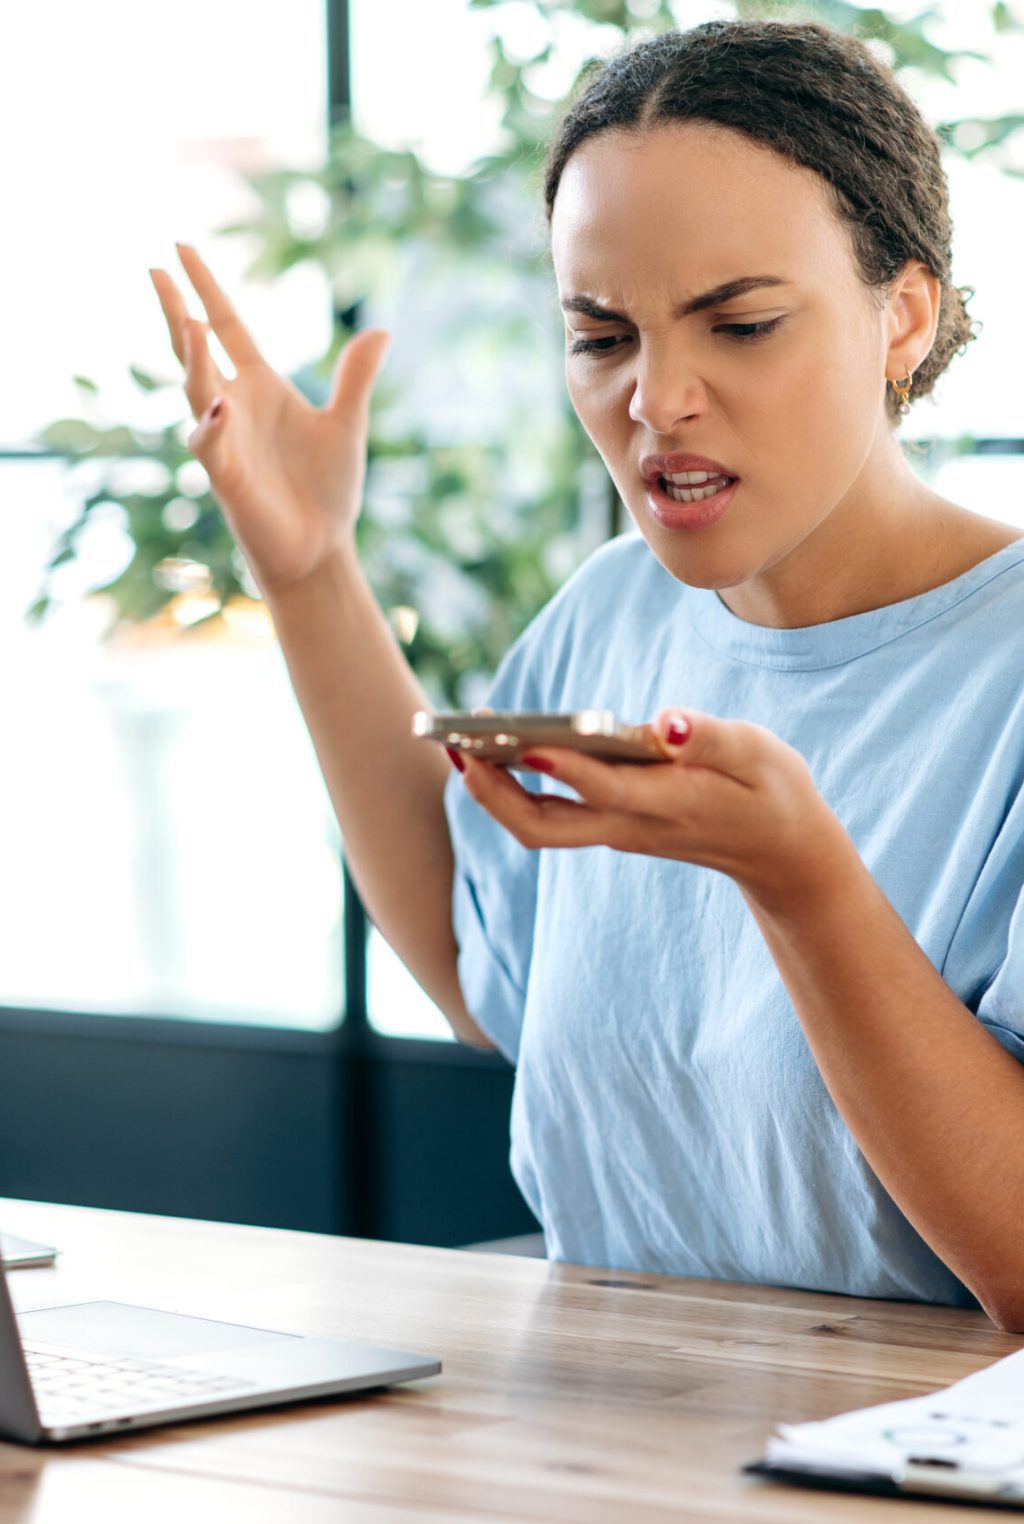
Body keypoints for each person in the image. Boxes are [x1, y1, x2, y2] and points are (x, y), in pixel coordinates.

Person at [150, 18, 1024, 1330]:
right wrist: (312, 573)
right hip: (599, 1430)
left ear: (903, 316)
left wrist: (803, 883)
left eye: (739, 324)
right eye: (603, 336)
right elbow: (473, 954)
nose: (656, 399)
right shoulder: (612, 611)